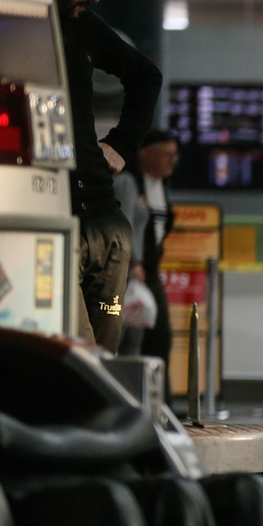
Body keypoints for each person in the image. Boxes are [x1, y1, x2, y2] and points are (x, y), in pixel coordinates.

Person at [42, 0, 163, 352]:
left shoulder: (83, 28)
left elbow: (146, 76)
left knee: (106, 363)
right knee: (84, 360)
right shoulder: (9, 27)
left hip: (108, 232)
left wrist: (121, 145)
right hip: (58, 233)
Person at [115, 129, 177, 377]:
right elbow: (127, 224)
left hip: (145, 272)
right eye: (167, 154)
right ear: (145, 154)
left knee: (151, 339)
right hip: (132, 271)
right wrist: (135, 263)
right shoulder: (128, 183)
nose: (172, 160)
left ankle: (156, 402)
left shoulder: (161, 186)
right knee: (128, 339)